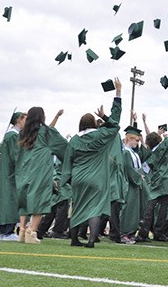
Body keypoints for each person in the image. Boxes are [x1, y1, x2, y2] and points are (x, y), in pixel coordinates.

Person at [61, 78, 122, 248]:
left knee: (78, 207)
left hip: (78, 177)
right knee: (94, 208)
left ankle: (74, 240)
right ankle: (91, 240)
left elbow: (68, 161)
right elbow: (115, 126)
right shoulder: (100, 136)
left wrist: (65, 178)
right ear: (95, 123)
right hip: (97, 178)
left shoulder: (74, 140)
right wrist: (114, 100)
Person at [16, 107, 67, 244]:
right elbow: (64, 148)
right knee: (40, 199)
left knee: (24, 201)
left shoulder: (23, 134)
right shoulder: (46, 132)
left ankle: (22, 230)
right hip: (40, 172)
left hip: (23, 171)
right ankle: (32, 231)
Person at [136, 119, 168, 242]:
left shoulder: (150, 154)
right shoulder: (164, 147)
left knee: (151, 205)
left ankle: (143, 232)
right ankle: (159, 233)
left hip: (156, 181)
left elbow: (145, 168)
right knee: (163, 207)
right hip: (167, 181)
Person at [0, 111, 26, 241]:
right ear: (19, 119)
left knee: (8, 202)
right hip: (12, 175)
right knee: (11, 202)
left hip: (8, 174)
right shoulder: (13, 136)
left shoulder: (10, 136)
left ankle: (6, 232)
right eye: (25, 119)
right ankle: (8, 232)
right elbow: (17, 156)